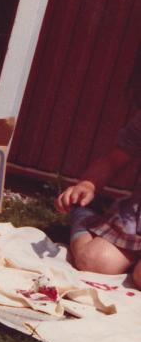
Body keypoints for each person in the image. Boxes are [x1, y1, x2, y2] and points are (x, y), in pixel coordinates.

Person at [55, 110, 141, 288]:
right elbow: (114, 160)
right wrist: (88, 184)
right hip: (135, 221)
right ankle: (84, 215)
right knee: (94, 262)